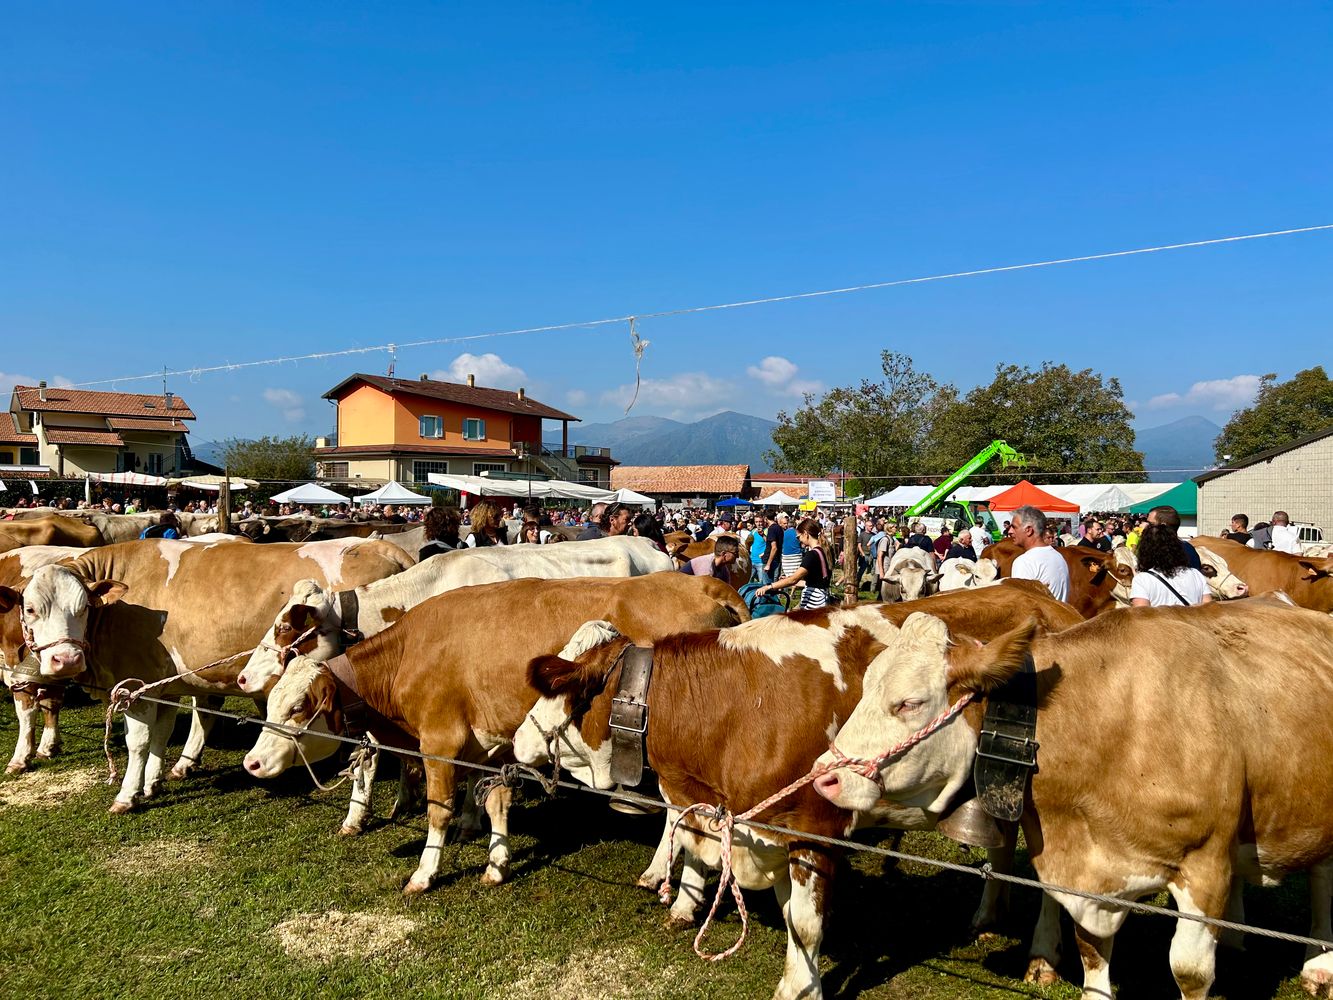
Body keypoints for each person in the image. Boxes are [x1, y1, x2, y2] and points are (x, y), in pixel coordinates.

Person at [1130, 523, 1213, 607]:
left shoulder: (1142, 580)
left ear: (1145, 550)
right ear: (1177, 547)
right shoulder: (1196, 574)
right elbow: (1208, 608)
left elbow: (1141, 616)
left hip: (1162, 620)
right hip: (1194, 619)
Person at [757, 518, 831, 610]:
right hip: (821, 599)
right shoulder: (822, 551)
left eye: (798, 537)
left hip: (814, 603)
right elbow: (814, 582)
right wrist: (786, 580)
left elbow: (793, 580)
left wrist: (769, 586)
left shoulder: (811, 555)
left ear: (805, 534)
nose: (798, 540)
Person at [1009, 505, 1069, 601]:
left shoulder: (1025, 562)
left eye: (1014, 527)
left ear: (1028, 530)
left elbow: (1021, 607)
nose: (1010, 531)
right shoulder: (1058, 556)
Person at [1146, 505, 1202, 570]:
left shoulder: (1161, 551)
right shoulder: (1188, 548)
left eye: (1151, 524)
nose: (1147, 527)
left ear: (1163, 527)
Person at [762, 511, 784, 585]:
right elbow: (770, 543)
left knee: (767, 586)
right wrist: (763, 535)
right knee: (774, 585)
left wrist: (768, 564)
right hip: (777, 559)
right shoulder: (779, 528)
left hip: (770, 560)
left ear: (765, 518)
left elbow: (774, 547)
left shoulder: (771, 529)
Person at [779, 512, 802, 579]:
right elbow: (801, 544)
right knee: (795, 575)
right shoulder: (797, 533)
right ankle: (793, 588)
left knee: (785, 574)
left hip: (786, 556)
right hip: (796, 555)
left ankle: (783, 587)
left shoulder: (783, 533)